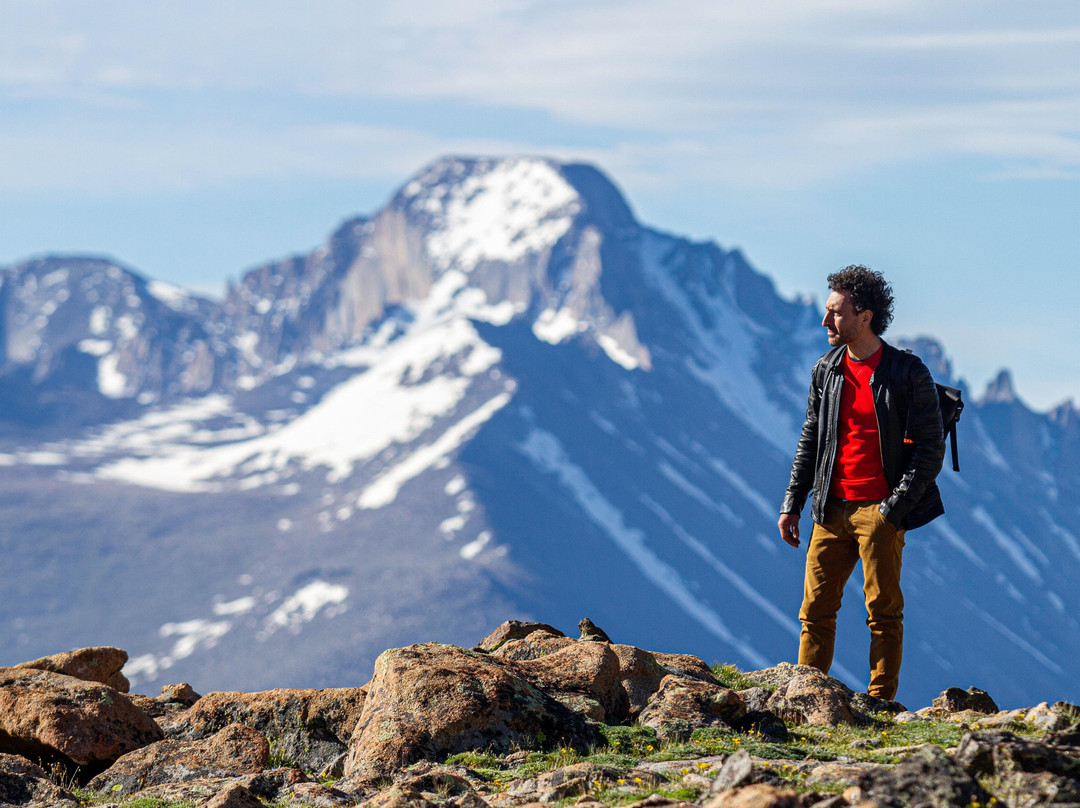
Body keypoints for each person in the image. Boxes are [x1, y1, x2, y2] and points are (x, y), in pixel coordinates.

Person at [778, 266, 944, 701]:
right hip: (830, 508)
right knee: (814, 611)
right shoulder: (826, 370)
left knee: (883, 613)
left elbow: (930, 449)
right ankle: (807, 698)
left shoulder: (907, 372)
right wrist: (792, 502)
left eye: (835, 312)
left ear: (865, 317)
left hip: (880, 510)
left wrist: (893, 510)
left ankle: (880, 705)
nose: (825, 321)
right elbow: (811, 438)